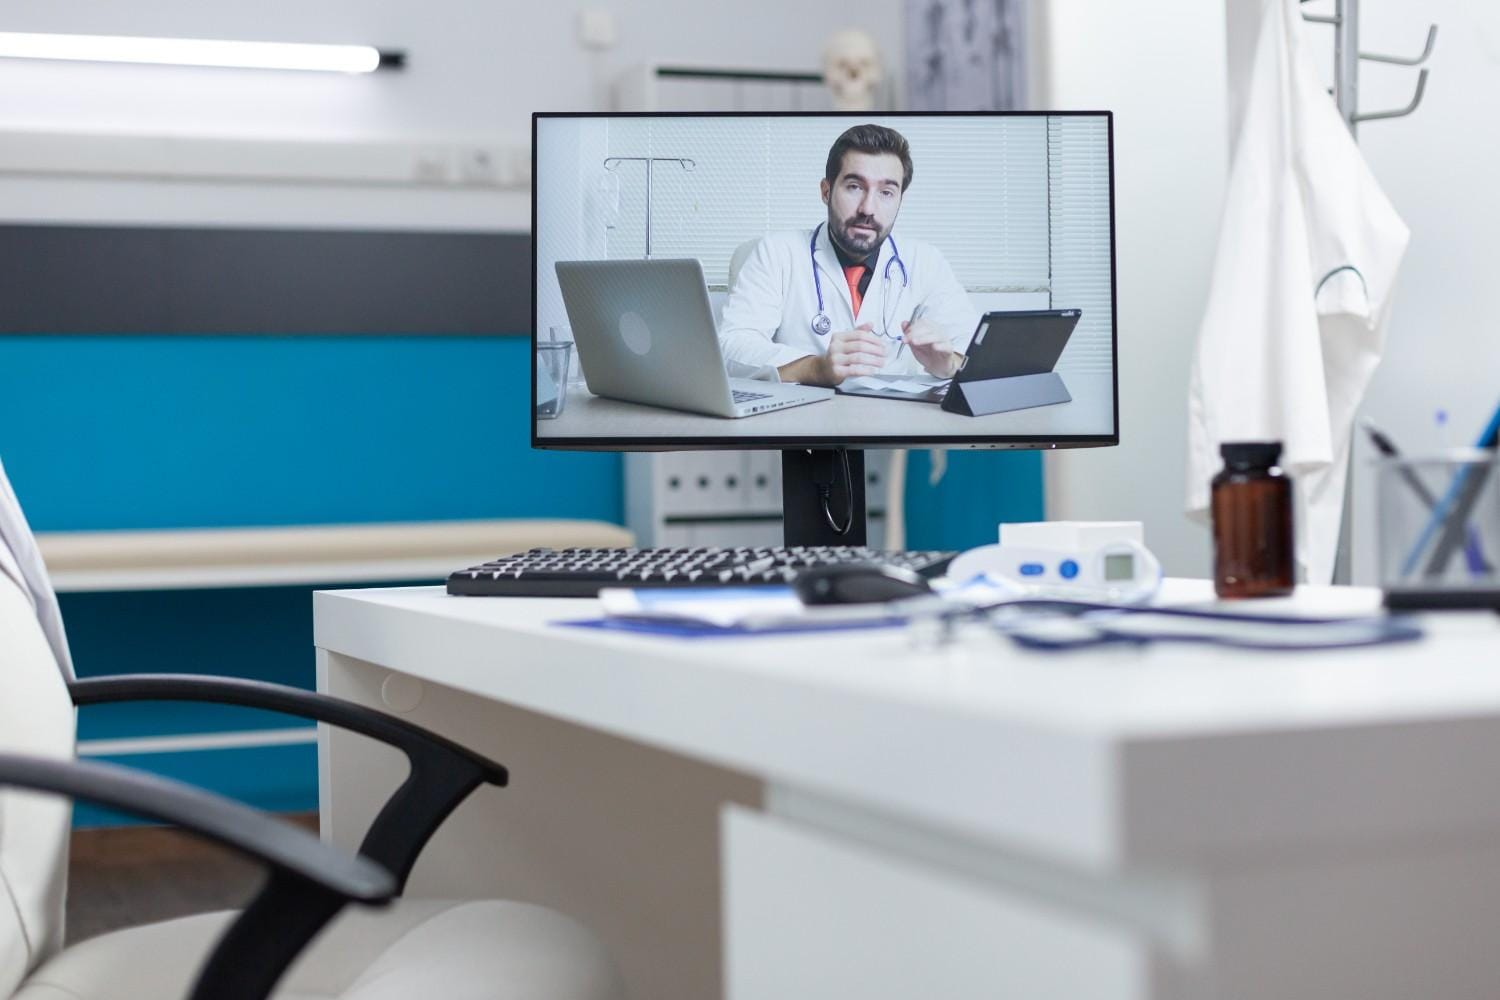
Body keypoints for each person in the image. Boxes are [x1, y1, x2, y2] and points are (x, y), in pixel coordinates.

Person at [719, 124, 978, 387]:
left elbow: (974, 352)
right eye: (854, 187)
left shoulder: (926, 261)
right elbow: (731, 347)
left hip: (893, 419)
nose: (868, 208)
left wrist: (948, 364)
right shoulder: (777, 252)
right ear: (826, 191)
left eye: (886, 192)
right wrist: (815, 368)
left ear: (900, 199)